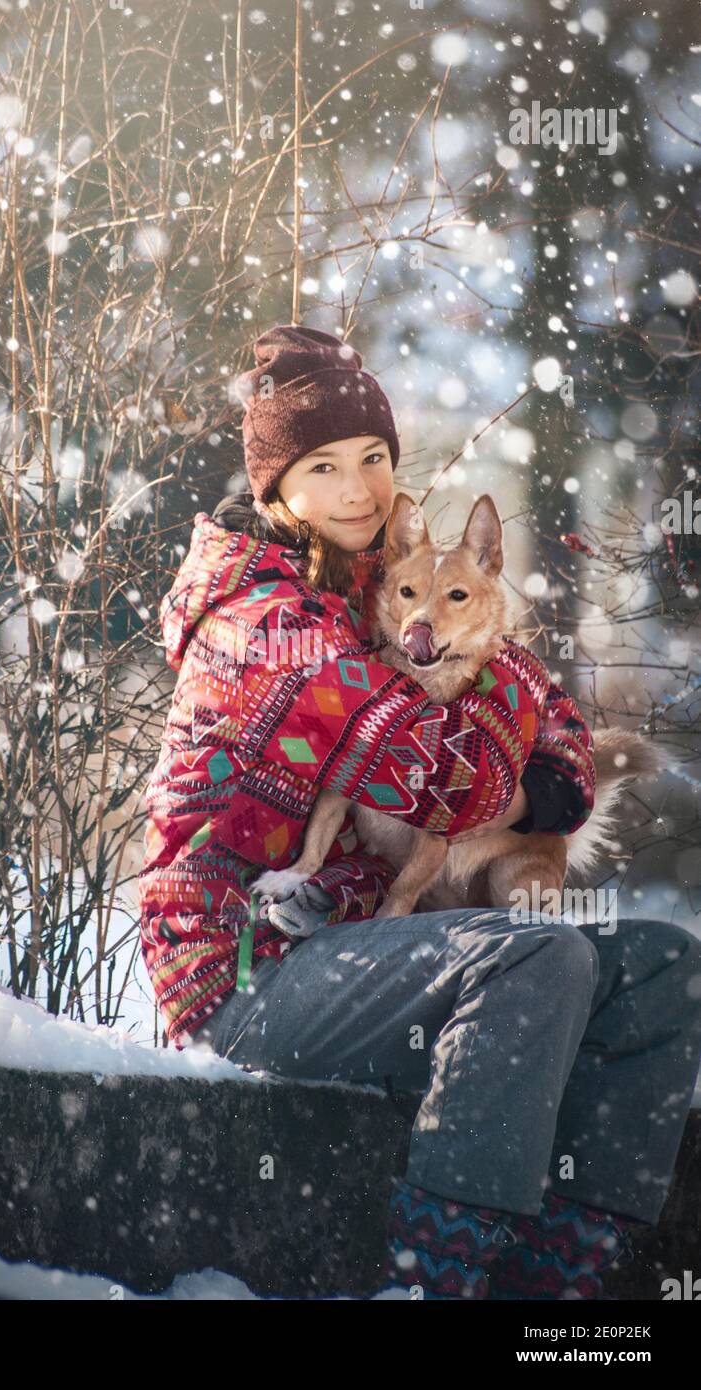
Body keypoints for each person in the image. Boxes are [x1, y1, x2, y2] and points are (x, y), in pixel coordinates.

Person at [138, 324, 701, 1300]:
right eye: (324, 464)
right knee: (537, 949)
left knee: (662, 963)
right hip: (247, 973)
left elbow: (558, 729)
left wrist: (534, 764)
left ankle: (554, 1287)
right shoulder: (252, 618)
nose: (359, 485)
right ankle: (434, 1279)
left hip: (388, 943)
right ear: (275, 486)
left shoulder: (394, 584)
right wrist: (523, 768)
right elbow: (434, 771)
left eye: (373, 458)